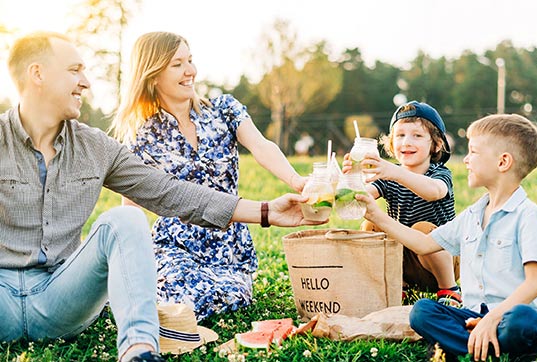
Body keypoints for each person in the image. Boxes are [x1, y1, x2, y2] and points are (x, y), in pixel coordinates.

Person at [0, 31, 323, 362]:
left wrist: (267, 211)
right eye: (74, 70)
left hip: (61, 299)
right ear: (37, 74)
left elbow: (172, 194)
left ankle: (140, 351)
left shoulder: (97, 148)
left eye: (190, 60)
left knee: (126, 219)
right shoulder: (141, 132)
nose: (86, 82)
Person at [110, 31, 306, 322]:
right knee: (182, 295)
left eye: (190, 60)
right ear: (153, 75)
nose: (191, 71)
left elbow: (261, 146)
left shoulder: (224, 110)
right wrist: (127, 265)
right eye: (177, 64)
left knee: (225, 296)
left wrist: (297, 181)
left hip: (229, 245)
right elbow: (132, 209)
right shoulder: (142, 137)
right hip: (174, 244)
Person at [356, 114, 537, 361]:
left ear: (503, 162)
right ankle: (483, 344)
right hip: (474, 316)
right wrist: (375, 215)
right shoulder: (473, 215)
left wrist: (492, 319)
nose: (465, 159)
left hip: (515, 318)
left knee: (523, 320)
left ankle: (461, 343)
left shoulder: (528, 216)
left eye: (473, 152)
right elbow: (423, 244)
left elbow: (535, 284)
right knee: (422, 312)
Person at [344, 101, 461, 306]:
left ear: (436, 144)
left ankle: (449, 290)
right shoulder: (388, 176)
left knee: (422, 229)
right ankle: (397, 286)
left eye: (417, 135)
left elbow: (434, 192)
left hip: (442, 262)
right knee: (370, 226)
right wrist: (352, 178)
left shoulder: (439, 173)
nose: (406, 142)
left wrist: (396, 173)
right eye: (400, 135)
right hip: (406, 262)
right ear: (391, 143)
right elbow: (360, 197)